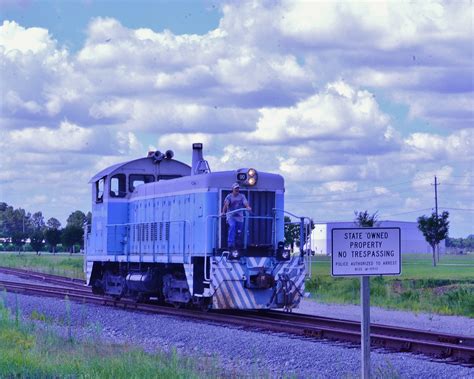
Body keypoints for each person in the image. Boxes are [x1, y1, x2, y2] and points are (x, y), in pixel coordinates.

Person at [221, 183, 251, 250]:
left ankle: (238, 244)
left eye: (238, 188)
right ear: (232, 189)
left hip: (239, 217)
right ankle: (230, 244)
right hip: (231, 216)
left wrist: (248, 207)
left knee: (239, 231)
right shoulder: (229, 196)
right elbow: (226, 205)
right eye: (235, 189)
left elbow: (245, 203)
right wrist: (223, 212)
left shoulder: (242, 196)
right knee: (232, 225)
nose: (237, 190)